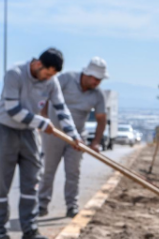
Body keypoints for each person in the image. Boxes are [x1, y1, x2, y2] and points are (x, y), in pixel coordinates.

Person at [0, 48, 82, 239]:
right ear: (38, 64)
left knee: (31, 183)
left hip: (30, 133)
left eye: (52, 76)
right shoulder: (15, 74)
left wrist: (73, 135)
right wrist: (42, 122)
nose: (48, 79)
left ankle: (29, 230)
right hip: (5, 130)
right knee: (1, 183)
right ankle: (1, 229)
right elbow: (12, 109)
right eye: (47, 74)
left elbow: (61, 108)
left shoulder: (51, 81)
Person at [39, 57, 109, 218]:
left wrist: (96, 142)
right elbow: (46, 97)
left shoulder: (98, 94)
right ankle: (42, 203)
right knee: (49, 169)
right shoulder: (66, 79)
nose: (97, 82)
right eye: (95, 79)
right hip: (54, 133)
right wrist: (44, 118)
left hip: (77, 137)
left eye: (100, 80)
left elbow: (101, 119)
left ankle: (72, 205)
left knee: (73, 172)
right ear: (87, 74)